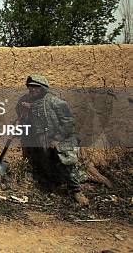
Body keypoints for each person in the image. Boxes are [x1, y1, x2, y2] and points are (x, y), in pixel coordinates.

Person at [16, 75, 89, 206]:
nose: (32, 90)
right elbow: (27, 122)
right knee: (48, 166)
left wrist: (57, 139)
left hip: (60, 140)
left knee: (67, 165)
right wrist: (25, 113)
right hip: (42, 141)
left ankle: (77, 192)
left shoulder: (55, 102)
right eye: (30, 87)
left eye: (35, 87)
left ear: (43, 88)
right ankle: (60, 187)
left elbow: (68, 122)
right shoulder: (29, 104)